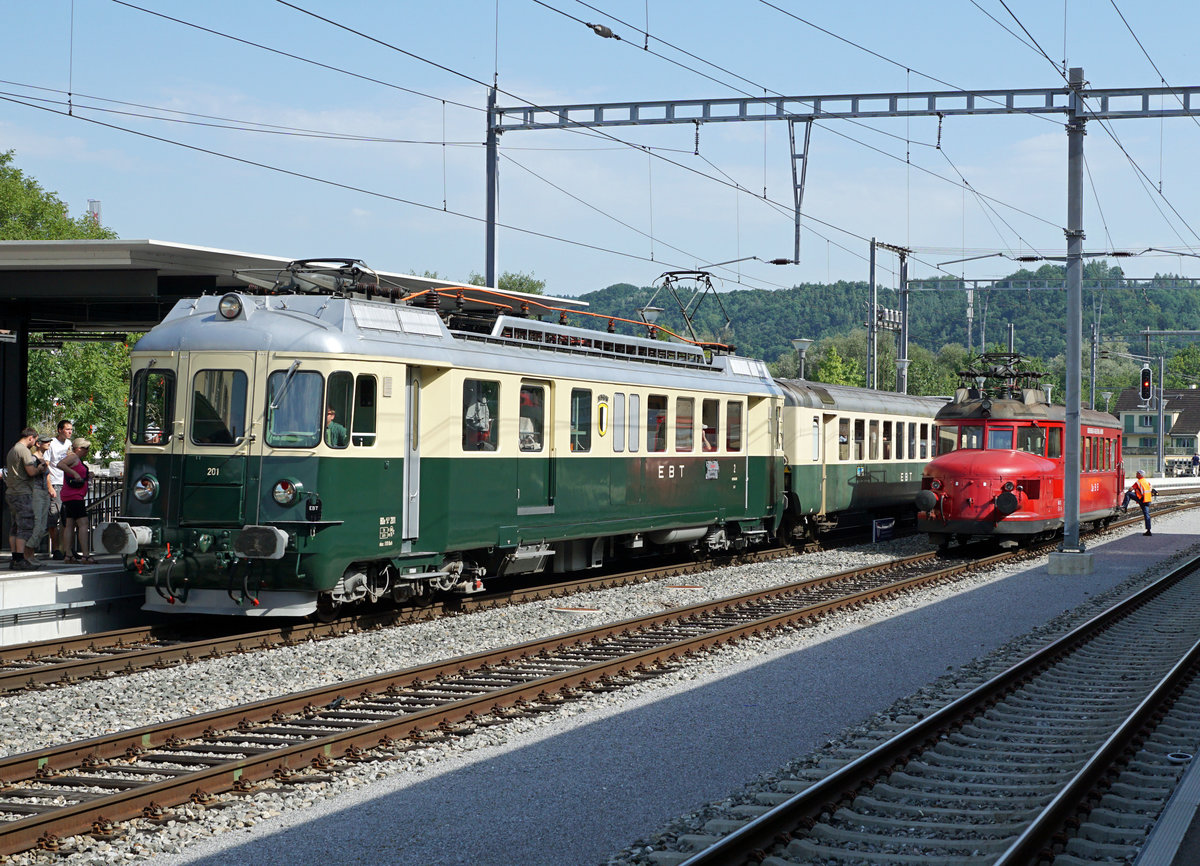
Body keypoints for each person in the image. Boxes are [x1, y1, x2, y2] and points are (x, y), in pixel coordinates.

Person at [5, 427, 44, 570]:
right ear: (30, 438)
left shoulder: (13, 450)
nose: (35, 443)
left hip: (12, 492)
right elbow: (31, 471)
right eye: (35, 440)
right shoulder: (24, 451)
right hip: (22, 493)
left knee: (15, 527)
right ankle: (20, 559)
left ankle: (15, 558)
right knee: (25, 526)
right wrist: (41, 468)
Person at [57, 437, 95, 564]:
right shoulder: (73, 457)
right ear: (79, 448)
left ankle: (68, 554)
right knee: (83, 524)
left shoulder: (77, 459)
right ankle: (85, 555)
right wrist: (74, 473)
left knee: (69, 524)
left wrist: (86, 475)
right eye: (85, 448)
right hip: (74, 496)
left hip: (71, 495)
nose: (87, 451)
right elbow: (60, 464)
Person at [45, 420, 72, 559]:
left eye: (71, 429)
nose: (70, 432)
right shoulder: (52, 444)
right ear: (60, 430)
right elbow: (46, 466)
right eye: (67, 429)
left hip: (67, 483)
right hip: (56, 483)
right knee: (53, 517)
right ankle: (56, 549)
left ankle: (66, 549)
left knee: (67, 519)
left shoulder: (69, 444)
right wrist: (49, 486)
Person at [25, 435, 55, 559]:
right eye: (45, 441)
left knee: (43, 526)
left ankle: (30, 553)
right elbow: (30, 474)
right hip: (36, 492)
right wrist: (40, 469)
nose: (48, 443)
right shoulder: (33, 458)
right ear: (38, 444)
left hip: (44, 492)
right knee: (37, 524)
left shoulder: (44, 458)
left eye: (49, 441)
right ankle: (27, 553)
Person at [1122, 469, 1155, 536]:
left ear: (1140, 475)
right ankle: (1148, 531)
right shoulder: (1147, 482)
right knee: (1147, 515)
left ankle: (1124, 506)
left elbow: (1130, 489)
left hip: (1141, 499)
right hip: (1147, 501)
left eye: (1137, 473)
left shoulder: (1138, 482)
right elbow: (1150, 489)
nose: (1136, 475)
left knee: (1128, 494)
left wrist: (1135, 492)